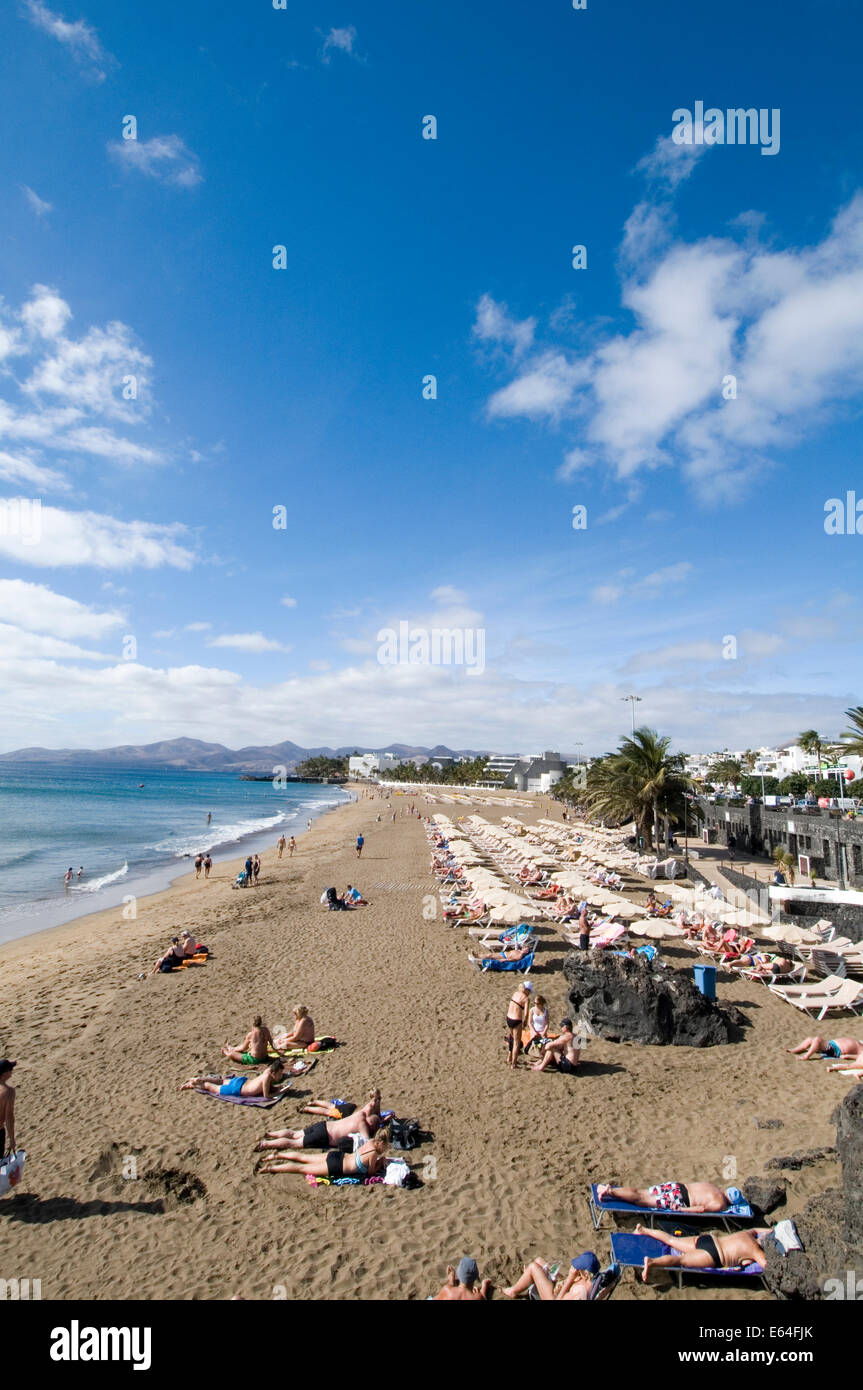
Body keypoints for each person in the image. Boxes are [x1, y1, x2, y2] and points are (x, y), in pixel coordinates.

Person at [635, 1223, 769, 1280]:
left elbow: (756, 1230)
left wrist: (772, 1230)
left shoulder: (748, 1234)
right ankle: (652, 1262)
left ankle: (644, 1230)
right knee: (680, 1260)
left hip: (708, 1240)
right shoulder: (754, 1250)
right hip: (714, 1255)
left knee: (671, 1240)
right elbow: (767, 1266)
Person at [257, 1134, 389, 1179]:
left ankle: (278, 1154)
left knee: (303, 1157)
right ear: (381, 1143)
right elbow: (371, 1173)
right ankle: (270, 1168)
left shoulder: (371, 1141)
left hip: (337, 1155)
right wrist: (380, 1162)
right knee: (301, 1168)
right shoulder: (374, 1154)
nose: (385, 1149)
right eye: (386, 1146)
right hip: (337, 1166)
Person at [503, 1253, 599, 1301]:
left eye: (578, 1268)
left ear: (586, 1274)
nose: (574, 1269)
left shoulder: (580, 1292)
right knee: (539, 1261)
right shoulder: (587, 1280)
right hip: (560, 1288)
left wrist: (570, 1278)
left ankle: (512, 1291)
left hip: (553, 1297)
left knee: (533, 1267)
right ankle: (529, 1277)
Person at [181, 1058, 287, 1100]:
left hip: (241, 1081)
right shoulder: (268, 1077)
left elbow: (267, 1087)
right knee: (210, 1087)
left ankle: (199, 1078)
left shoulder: (267, 1071)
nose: (280, 1076)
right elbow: (266, 1095)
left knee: (220, 1081)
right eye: (279, 1074)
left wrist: (277, 1087)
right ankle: (192, 1084)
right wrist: (281, 1091)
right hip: (238, 1090)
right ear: (273, 1072)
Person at [596, 1181, 730, 1213]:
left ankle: (612, 1190)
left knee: (641, 1192)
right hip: (680, 1199)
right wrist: (681, 1210)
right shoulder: (720, 1203)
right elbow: (701, 1209)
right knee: (642, 1200)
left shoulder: (712, 1186)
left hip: (676, 1186)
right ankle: (610, 1192)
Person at [298, 1088, 381, 1123]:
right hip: (347, 1113)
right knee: (327, 1111)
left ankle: (314, 1102)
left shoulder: (373, 1103)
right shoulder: (372, 1106)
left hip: (351, 1107)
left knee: (332, 1106)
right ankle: (306, 1108)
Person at [506, 979, 533, 1069]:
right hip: (516, 1020)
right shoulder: (526, 999)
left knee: (511, 1038)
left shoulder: (515, 993)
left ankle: (509, 1058)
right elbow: (526, 1013)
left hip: (509, 1018)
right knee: (517, 1043)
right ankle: (514, 1064)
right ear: (527, 990)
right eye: (529, 991)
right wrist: (525, 1022)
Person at [788, 1036, 863, 1062]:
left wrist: (847, 1056)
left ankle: (806, 1056)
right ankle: (797, 1049)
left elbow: (859, 1058)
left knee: (817, 1040)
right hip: (833, 1044)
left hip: (836, 1050)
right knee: (810, 1039)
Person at [0, 1059, 17, 1159]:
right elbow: (9, 1118)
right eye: (10, 1069)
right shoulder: (8, 1092)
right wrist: (12, 1140)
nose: (12, 1071)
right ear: (4, 1073)